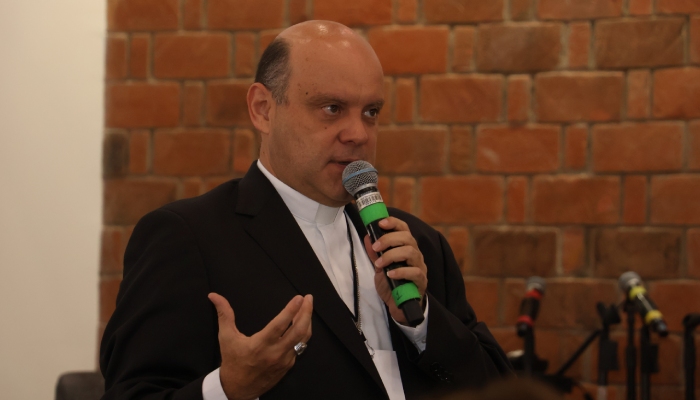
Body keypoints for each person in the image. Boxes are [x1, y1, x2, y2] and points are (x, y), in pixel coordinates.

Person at [100, 20, 511, 400]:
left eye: (371, 112)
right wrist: (227, 389)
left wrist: (420, 325)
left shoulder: (416, 246)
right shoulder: (188, 238)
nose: (358, 134)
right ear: (263, 109)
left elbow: (502, 391)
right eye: (332, 108)